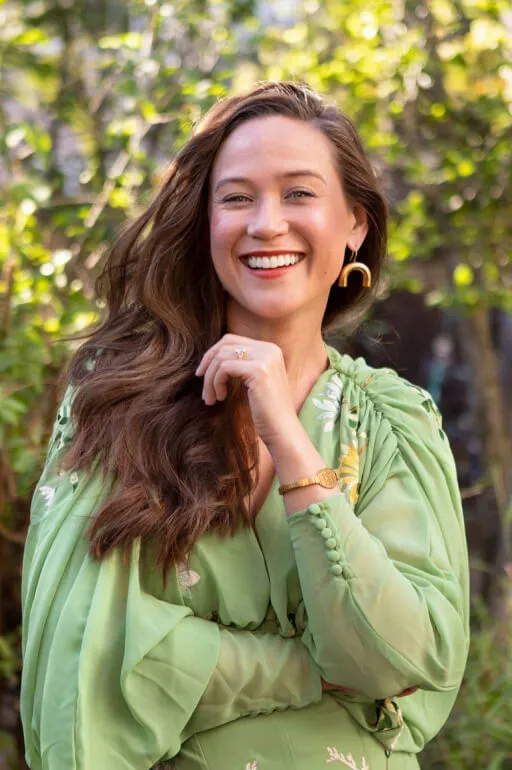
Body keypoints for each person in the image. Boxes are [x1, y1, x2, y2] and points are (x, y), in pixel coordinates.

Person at [20, 81, 470, 770]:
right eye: (236, 197)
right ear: (204, 222)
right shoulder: (115, 404)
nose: (265, 223)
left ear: (354, 222)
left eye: (298, 193)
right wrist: (314, 670)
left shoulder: (392, 423)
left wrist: (289, 443)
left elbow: (407, 658)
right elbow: (82, 663)